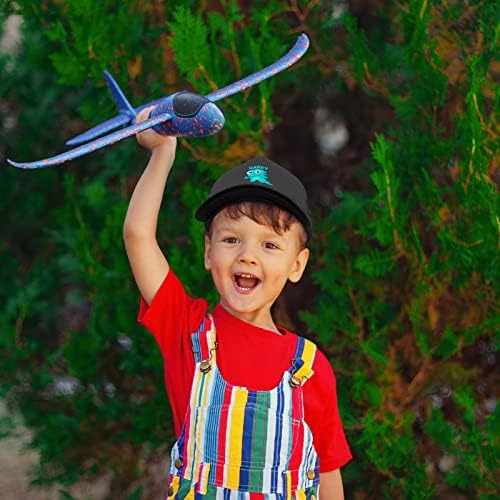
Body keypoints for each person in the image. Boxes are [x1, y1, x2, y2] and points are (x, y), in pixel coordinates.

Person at [124, 107, 351, 499]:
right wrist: (162, 153)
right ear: (208, 252)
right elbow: (137, 235)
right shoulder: (186, 328)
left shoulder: (311, 369)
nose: (248, 255)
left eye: (269, 244)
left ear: (296, 265)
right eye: (232, 240)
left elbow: (328, 474)